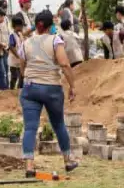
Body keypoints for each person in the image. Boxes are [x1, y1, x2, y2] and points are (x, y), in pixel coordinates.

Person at [13, 10, 78, 177]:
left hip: (30, 88)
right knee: (58, 124)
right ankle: (68, 160)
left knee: (30, 128)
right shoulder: (56, 40)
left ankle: (29, 166)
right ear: (51, 26)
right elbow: (64, 64)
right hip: (52, 88)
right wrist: (72, 86)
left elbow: (22, 65)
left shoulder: (26, 43)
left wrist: (27, 76)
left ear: (37, 26)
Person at [7, 15, 27, 89]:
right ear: (15, 26)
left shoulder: (20, 34)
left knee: (22, 75)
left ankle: (19, 89)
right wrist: (18, 56)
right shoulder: (12, 35)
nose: (22, 28)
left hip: (20, 60)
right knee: (14, 76)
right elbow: (11, 46)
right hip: (14, 60)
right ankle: (11, 89)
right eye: (21, 26)